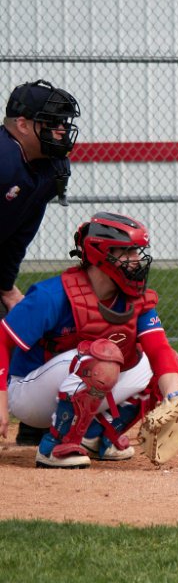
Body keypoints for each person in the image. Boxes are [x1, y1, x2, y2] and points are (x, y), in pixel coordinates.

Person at [0, 213, 178, 468]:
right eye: (127, 252)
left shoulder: (134, 298)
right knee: (102, 357)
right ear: (101, 254)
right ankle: (55, 446)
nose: (137, 260)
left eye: (137, 251)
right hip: (27, 392)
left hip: (77, 377)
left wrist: (173, 397)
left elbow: (160, 350)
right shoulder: (51, 295)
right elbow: (2, 340)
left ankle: (96, 436)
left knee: (167, 365)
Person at [1, 79, 80, 446]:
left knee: (33, 324)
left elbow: (20, 232)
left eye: (64, 122)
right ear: (21, 124)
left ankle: (38, 420)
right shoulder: (3, 160)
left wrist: (6, 288)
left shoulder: (51, 167)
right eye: (51, 122)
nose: (61, 130)